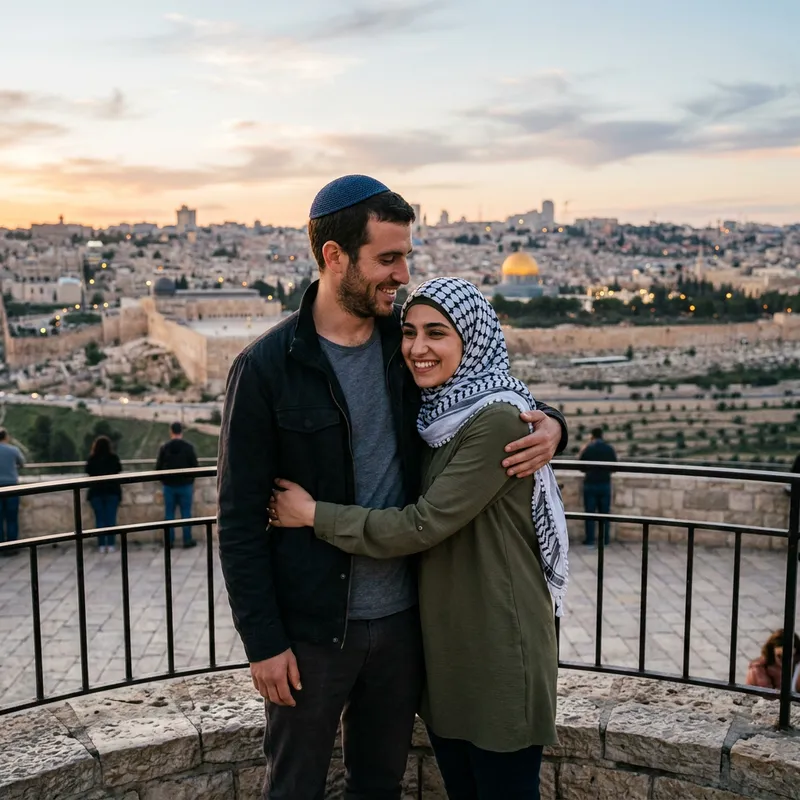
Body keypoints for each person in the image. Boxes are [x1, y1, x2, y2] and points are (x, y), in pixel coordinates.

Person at [217, 175, 569, 800]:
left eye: (405, 256)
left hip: (406, 624)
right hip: (315, 630)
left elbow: (490, 394)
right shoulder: (267, 368)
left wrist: (556, 426)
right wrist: (264, 643)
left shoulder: (403, 345)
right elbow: (239, 520)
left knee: (378, 785)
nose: (402, 274)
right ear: (334, 257)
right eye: (387, 258)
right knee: (294, 787)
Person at [156, 422, 198, 549]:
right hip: (185, 486)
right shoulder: (188, 447)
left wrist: (164, 481)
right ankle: (187, 540)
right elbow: (195, 466)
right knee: (186, 514)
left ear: (171, 432)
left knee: (169, 514)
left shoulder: (165, 448)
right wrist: (190, 480)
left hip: (169, 486)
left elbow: (158, 468)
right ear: (181, 432)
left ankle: (169, 541)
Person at [578, 427, 617, 547]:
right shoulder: (609, 449)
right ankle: (604, 540)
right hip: (604, 484)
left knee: (590, 514)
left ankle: (590, 540)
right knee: (604, 514)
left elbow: (581, 467)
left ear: (592, 436)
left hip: (590, 484)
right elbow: (614, 467)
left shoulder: (588, 448)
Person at [86, 435, 123, 553]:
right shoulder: (113, 458)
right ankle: (111, 544)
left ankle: (101, 545)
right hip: (112, 492)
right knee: (111, 519)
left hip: (96, 492)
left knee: (100, 520)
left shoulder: (92, 459)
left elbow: (88, 471)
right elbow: (119, 469)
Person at [746, 629, 800, 694]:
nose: (785, 660)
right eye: (780, 656)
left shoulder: (796, 664)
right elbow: (768, 698)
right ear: (772, 651)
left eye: (789, 655)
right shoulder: (758, 669)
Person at [0, 428, 25, 557]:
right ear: (6, 437)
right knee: (12, 518)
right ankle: (12, 547)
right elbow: (22, 464)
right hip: (11, 486)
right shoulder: (13, 450)